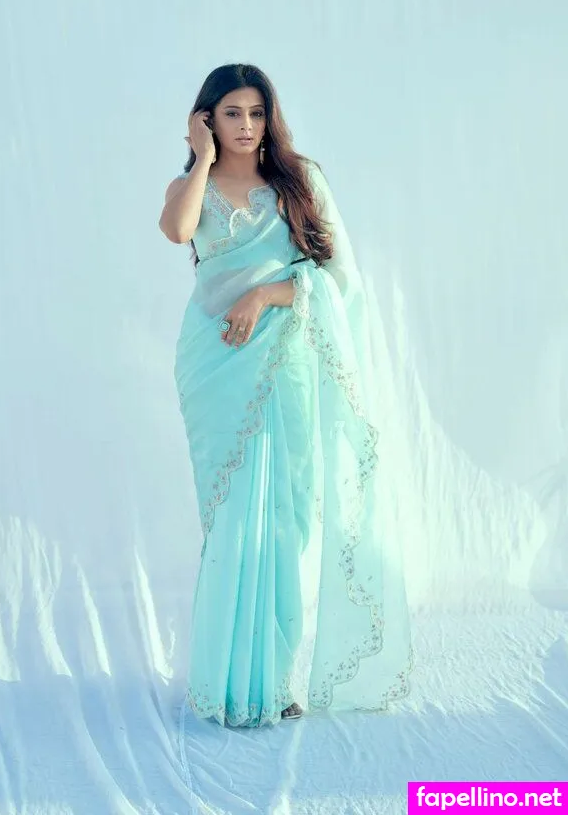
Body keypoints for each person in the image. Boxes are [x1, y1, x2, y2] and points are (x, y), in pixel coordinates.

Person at [159, 63, 414, 728]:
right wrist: (202, 159)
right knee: (232, 522)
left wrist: (266, 293)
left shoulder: (301, 182)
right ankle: (223, 686)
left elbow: (338, 276)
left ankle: (271, 681)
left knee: (284, 520)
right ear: (206, 119)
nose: (246, 125)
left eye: (256, 112)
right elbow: (178, 231)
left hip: (287, 362)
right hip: (216, 367)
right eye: (231, 113)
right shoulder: (190, 186)